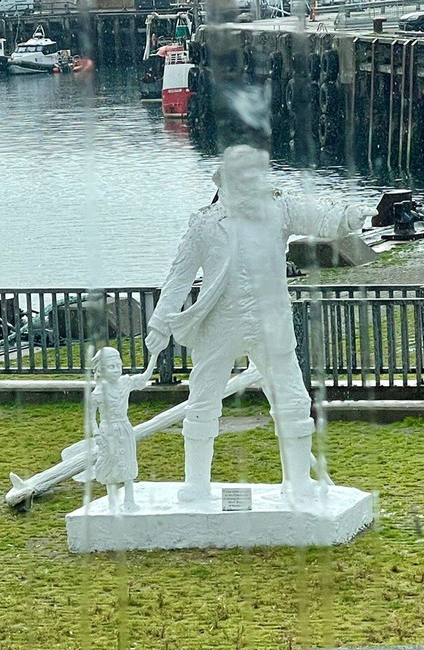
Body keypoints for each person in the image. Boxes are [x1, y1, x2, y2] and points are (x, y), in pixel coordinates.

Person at [144, 145, 365, 504]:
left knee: (293, 401)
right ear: (225, 180)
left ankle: (298, 484)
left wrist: (349, 216)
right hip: (220, 323)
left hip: (269, 322)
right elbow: (179, 276)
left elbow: (316, 214)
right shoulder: (204, 224)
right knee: (202, 398)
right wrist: (159, 325)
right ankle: (197, 483)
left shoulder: (279, 210)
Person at [90, 347, 155, 512]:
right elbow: (90, 418)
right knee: (109, 464)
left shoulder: (125, 383)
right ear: (101, 370)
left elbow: (145, 376)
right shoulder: (97, 393)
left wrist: (155, 354)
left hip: (125, 428)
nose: (116, 370)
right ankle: (113, 503)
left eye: (118, 366)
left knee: (128, 463)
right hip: (107, 432)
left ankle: (129, 500)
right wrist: (96, 434)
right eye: (111, 367)